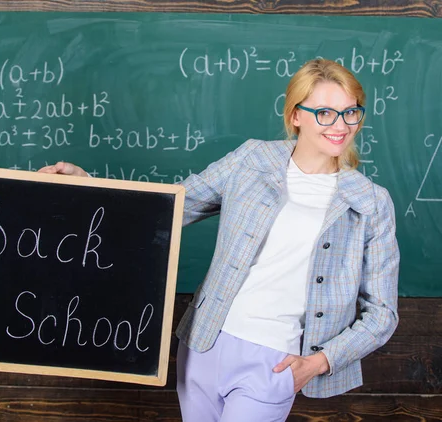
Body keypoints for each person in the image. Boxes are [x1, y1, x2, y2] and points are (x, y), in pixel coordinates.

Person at [38, 58, 400, 422]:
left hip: (275, 362)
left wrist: (318, 363)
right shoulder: (252, 159)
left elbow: (382, 314)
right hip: (205, 342)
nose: (341, 126)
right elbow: (169, 206)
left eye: (350, 112)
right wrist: (87, 182)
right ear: (296, 115)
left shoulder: (370, 202)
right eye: (325, 113)